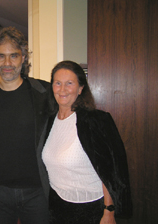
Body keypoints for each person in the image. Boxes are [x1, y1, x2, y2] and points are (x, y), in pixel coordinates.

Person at [42, 60, 133, 224]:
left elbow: (112, 170)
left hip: (92, 208)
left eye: (69, 83)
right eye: (57, 83)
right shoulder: (47, 122)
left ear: (80, 88)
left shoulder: (97, 121)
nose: (62, 89)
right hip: (56, 206)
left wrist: (109, 210)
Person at [0, 26, 50, 224]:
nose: (7, 63)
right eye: (0, 56)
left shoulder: (44, 93)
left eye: (13, 56)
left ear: (23, 58)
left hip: (36, 191)